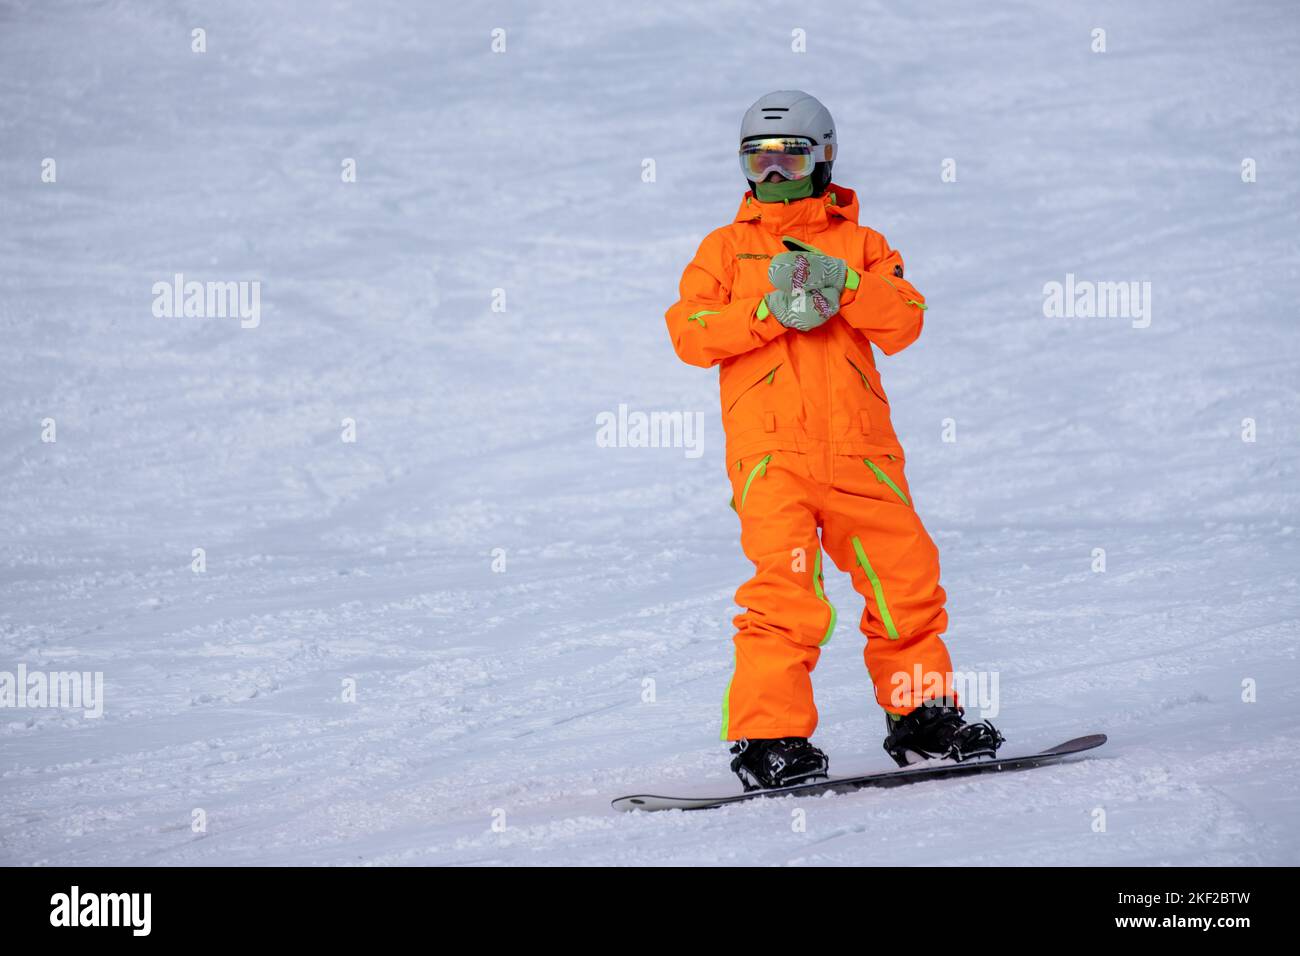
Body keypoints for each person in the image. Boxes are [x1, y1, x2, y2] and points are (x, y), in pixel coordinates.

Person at [664, 90, 1003, 791]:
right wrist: (763, 311)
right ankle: (771, 740)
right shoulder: (724, 250)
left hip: (861, 453)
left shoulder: (864, 244)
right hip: (771, 454)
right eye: (758, 159)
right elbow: (689, 333)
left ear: (825, 156)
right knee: (784, 596)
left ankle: (923, 722)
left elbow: (904, 321)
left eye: (790, 156)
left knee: (905, 584)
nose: (774, 173)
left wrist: (847, 285)